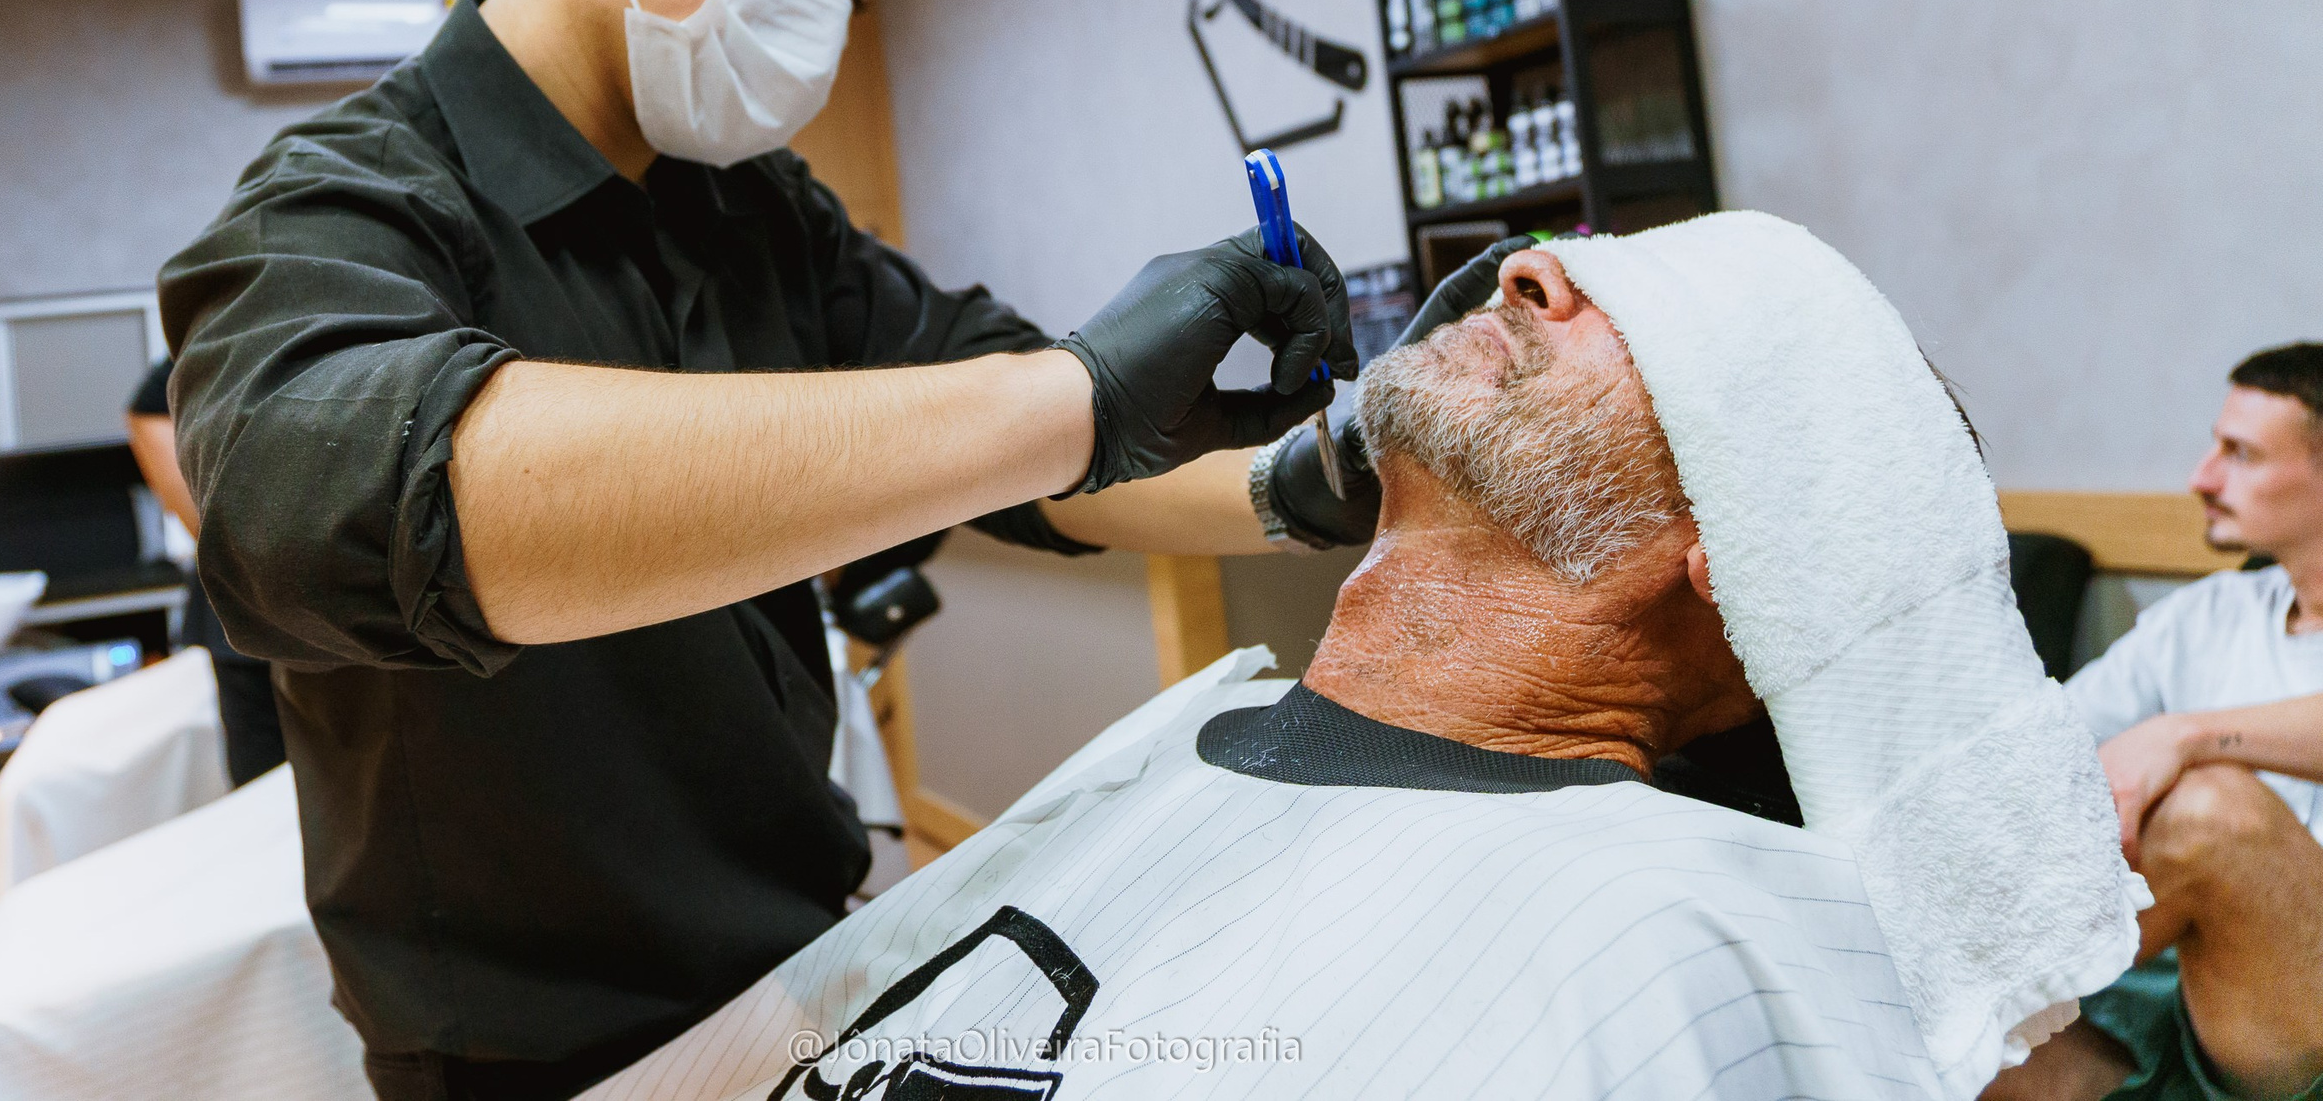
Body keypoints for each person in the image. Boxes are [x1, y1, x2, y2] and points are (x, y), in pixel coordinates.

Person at [161, 0, 1363, 1101]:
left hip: (802, 964)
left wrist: (1317, 474)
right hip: (537, 1050)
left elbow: (1023, 437)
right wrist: (1072, 403)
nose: (826, 14)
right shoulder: (342, 201)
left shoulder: (752, 210)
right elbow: (355, 499)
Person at [582, 216, 2140, 1101]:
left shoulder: (1671, 939)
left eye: (1663, 326)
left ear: (1746, 570)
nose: (1528, 267)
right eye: (1576, 252)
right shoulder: (1197, 736)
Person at [1992, 344, 2323, 1101]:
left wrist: (2185, 734)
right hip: (2166, 1003)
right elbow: (2040, 747)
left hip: (2304, 1013)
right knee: (1962, 1051)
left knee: (2213, 810)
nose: (2201, 477)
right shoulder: (2208, 616)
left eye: (2240, 454)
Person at [124, 358, 287, 787]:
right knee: (268, 810)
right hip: (248, 617)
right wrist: (213, 525)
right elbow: (148, 407)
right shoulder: (248, 309)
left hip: (327, 611)